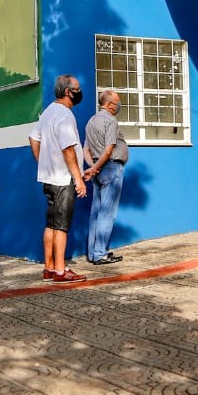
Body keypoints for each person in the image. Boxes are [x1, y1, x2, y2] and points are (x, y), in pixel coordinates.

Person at [29, 74, 88, 283]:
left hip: (49, 177)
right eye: (77, 89)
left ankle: (49, 268)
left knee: (51, 223)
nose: (80, 92)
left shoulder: (47, 112)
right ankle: (61, 271)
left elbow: (33, 137)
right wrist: (78, 178)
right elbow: (68, 149)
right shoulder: (64, 115)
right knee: (62, 226)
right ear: (67, 92)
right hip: (63, 180)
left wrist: (43, 162)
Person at [82, 89, 127, 265]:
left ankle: (93, 253)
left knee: (96, 212)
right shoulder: (110, 120)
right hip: (110, 168)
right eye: (117, 102)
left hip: (98, 169)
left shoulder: (91, 121)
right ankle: (100, 254)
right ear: (109, 104)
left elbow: (86, 150)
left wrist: (92, 168)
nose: (119, 105)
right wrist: (97, 167)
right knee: (107, 213)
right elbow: (109, 149)